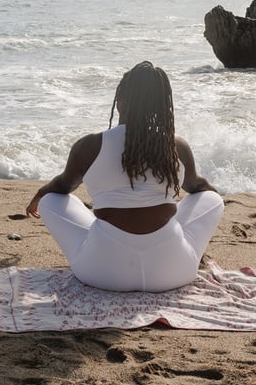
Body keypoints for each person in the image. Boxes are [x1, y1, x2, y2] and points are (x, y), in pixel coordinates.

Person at [26, 61, 224, 292]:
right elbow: (196, 186)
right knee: (212, 199)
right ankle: (176, 242)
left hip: (102, 273)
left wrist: (40, 194)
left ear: (120, 101)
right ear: (163, 106)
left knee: (51, 200)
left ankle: (102, 239)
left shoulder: (90, 146)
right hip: (172, 272)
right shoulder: (175, 146)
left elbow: (62, 185)